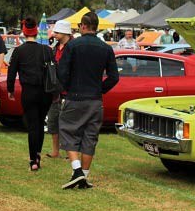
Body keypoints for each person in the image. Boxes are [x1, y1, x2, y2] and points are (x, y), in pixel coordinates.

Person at [57, 12, 118, 189]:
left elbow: (62, 72)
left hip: (75, 96)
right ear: (97, 27)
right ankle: (84, 176)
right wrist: (100, 89)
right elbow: (114, 77)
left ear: (83, 26)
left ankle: (76, 170)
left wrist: (66, 88)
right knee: (90, 137)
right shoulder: (106, 48)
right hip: (95, 99)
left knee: (68, 130)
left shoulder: (73, 46)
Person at [7, 17, 54, 171]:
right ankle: (38, 154)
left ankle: (33, 159)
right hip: (45, 91)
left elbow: (11, 72)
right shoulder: (47, 50)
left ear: (24, 32)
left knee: (33, 125)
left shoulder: (19, 51)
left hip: (29, 91)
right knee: (40, 123)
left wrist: (10, 90)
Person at [45, 19, 73, 159]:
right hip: (55, 91)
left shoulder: (73, 47)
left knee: (68, 123)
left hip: (69, 91)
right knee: (53, 121)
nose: (54, 34)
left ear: (64, 32)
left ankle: (71, 152)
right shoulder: (55, 48)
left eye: (56, 32)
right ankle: (55, 150)